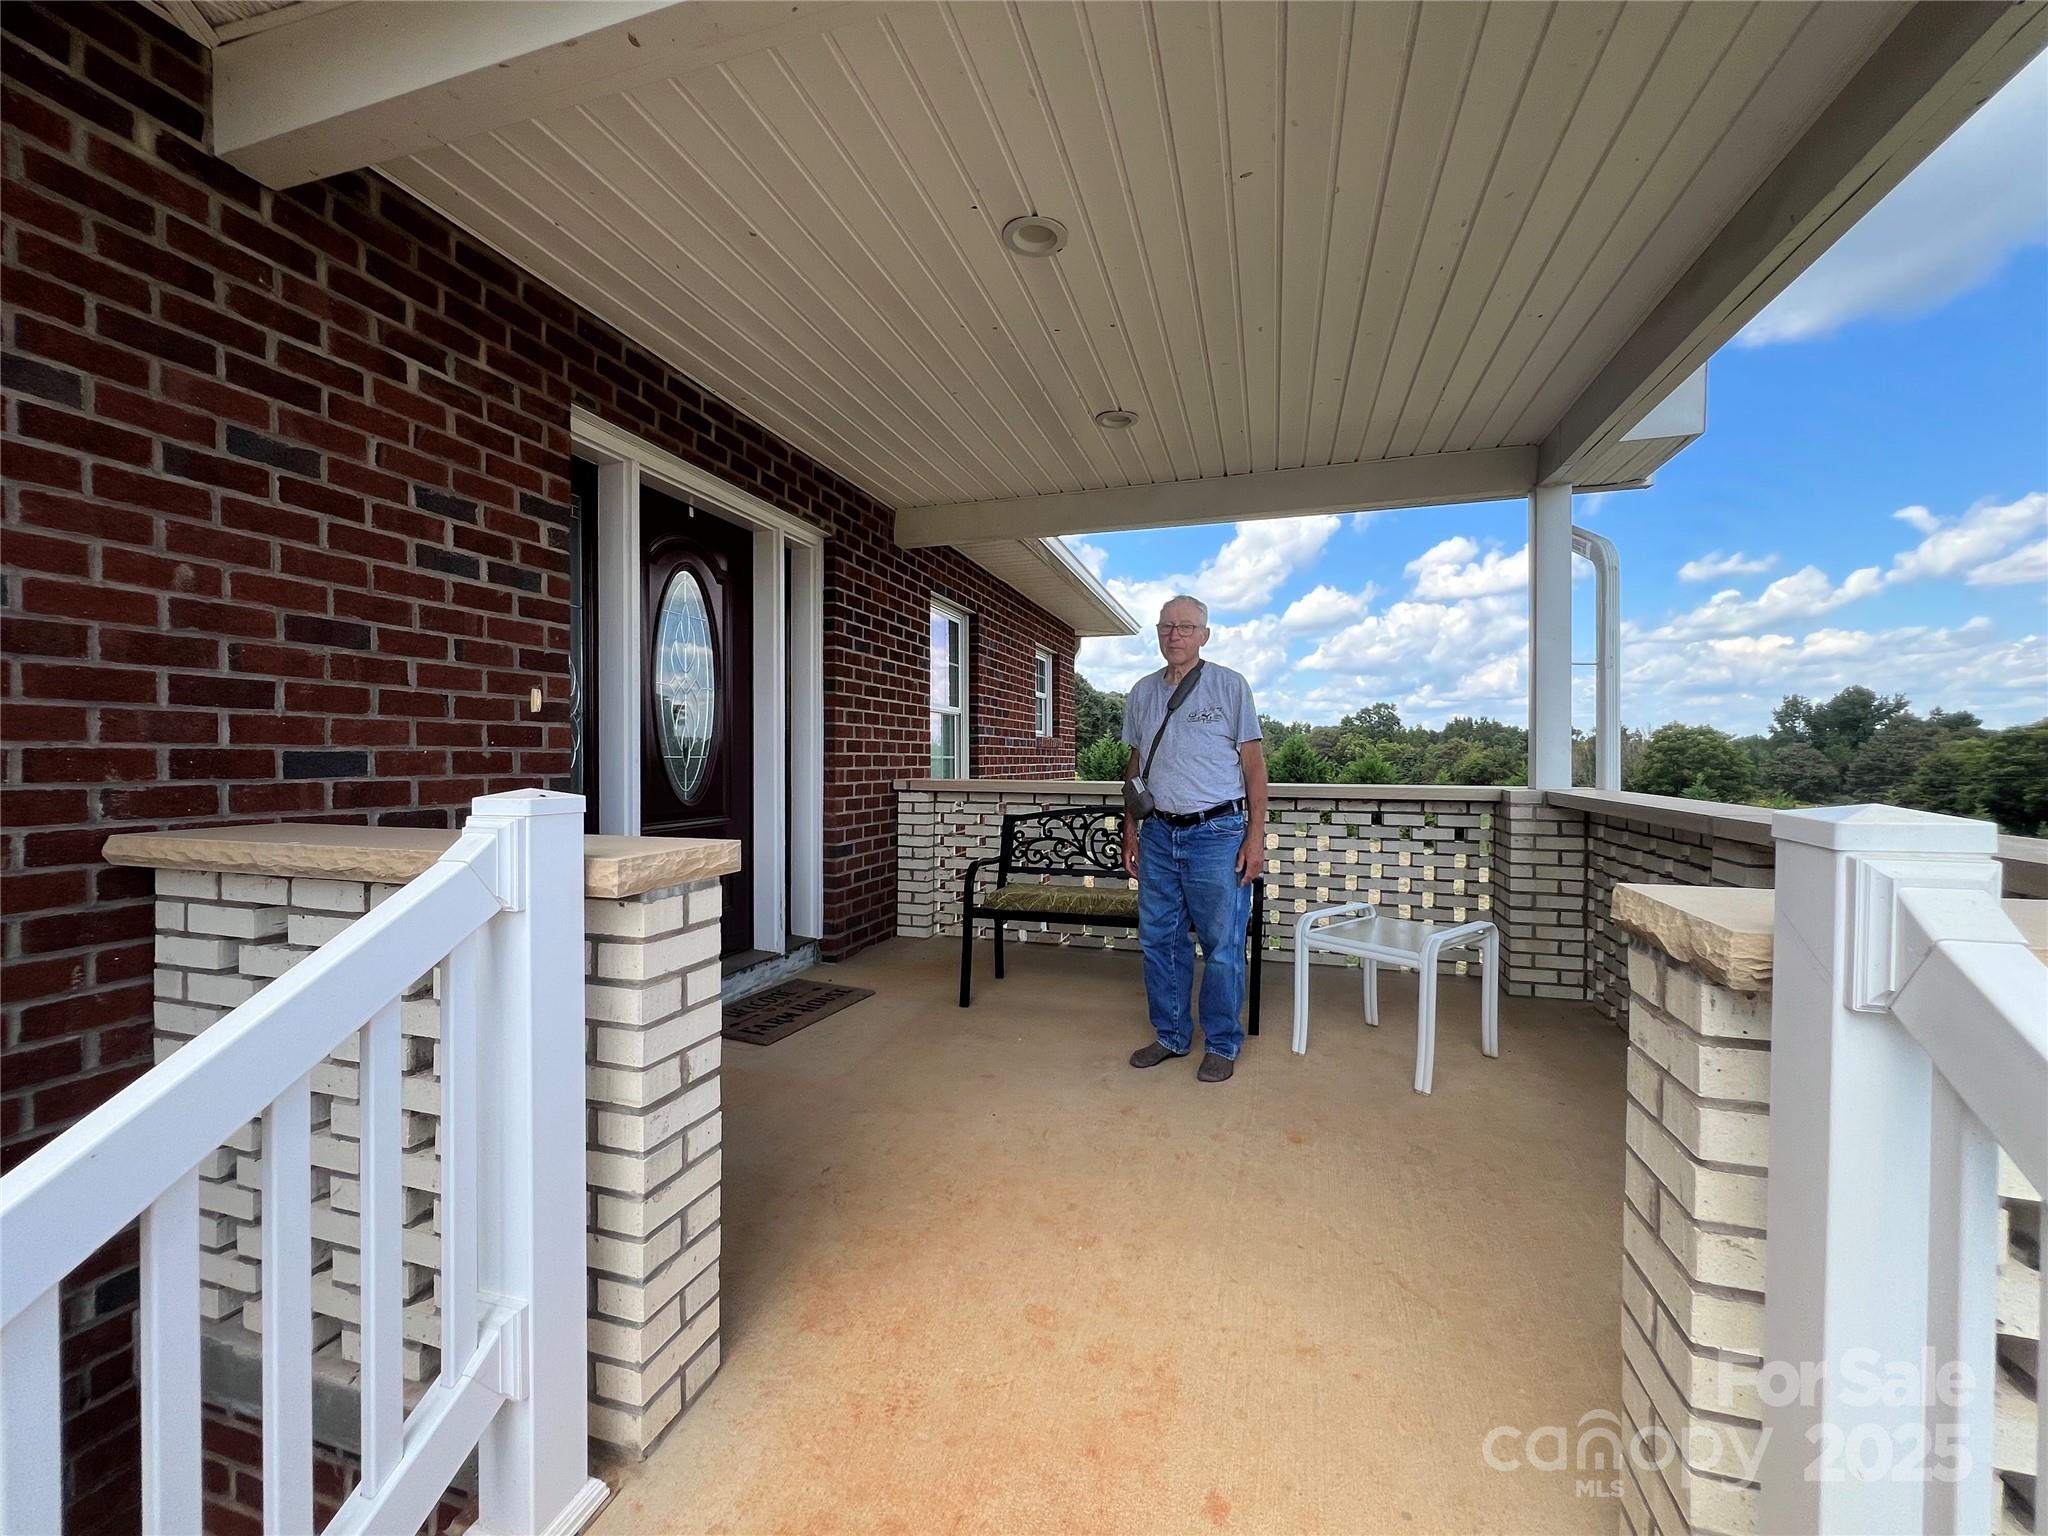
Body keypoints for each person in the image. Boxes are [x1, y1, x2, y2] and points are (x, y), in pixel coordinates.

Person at [1119, 595, 1268, 1082]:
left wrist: (1255, 838)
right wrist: (1131, 830)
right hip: (1159, 834)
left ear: (1204, 635)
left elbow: (1254, 767)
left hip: (1218, 834)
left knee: (1222, 946)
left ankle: (1222, 1043)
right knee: (1159, 941)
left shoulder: (1229, 685)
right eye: (1166, 626)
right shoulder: (1142, 692)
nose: (1174, 635)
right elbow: (1136, 766)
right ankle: (1171, 1035)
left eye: (1185, 627)